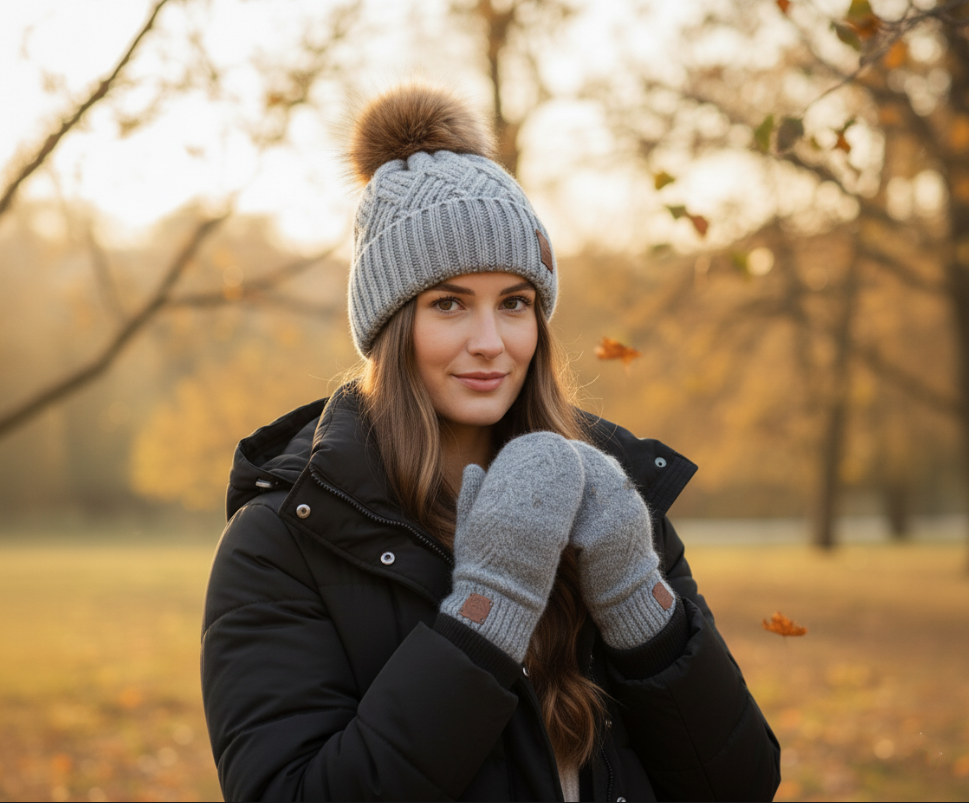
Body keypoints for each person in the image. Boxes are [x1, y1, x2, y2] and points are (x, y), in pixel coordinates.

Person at [200, 83, 781, 802]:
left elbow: (740, 783)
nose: (489, 342)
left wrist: (637, 595)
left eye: (514, 303)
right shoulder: (285, 541)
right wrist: (487, 613)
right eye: (448, 303)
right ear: (390, 325)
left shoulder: (611, 499)